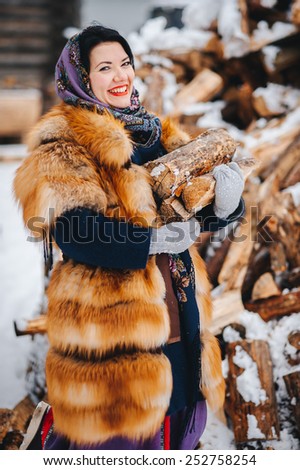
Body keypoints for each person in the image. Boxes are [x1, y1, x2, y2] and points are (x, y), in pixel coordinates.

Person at [14, 24, 245, 450]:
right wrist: (152, 241)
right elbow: (75, 232)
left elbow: (190, 217)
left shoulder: (155, 135)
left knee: (176, 432)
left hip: (179, 321)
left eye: (125, 63)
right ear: (82, 78)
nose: (121, 75)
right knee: (116, 443)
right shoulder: (63, 145)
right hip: (111, 333)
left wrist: (225, 206)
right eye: (105, 67)